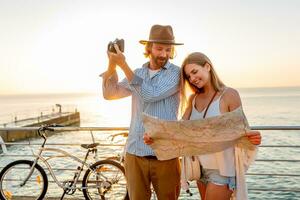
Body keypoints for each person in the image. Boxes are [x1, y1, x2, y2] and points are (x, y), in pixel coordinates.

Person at [101, 24, 183, 200]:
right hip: (135, 153)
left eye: (168, 49)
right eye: (159, 48)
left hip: (165, 156)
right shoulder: (137, 73)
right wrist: (112, 64)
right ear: (149, 48)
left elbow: (150, 94)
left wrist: (123, 64)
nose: (163, 54)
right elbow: (110, 93)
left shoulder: (177, 74)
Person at [180, 52, 261, 200]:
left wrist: (253, 137)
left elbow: (242, 130)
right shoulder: (193, 99)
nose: (192, 79)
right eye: (188, 76)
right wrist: (156, 135)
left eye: (194, 72)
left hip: (222, 170)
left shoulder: (229, 95)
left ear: (207, 67)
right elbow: (180, 128)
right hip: (199, 168)